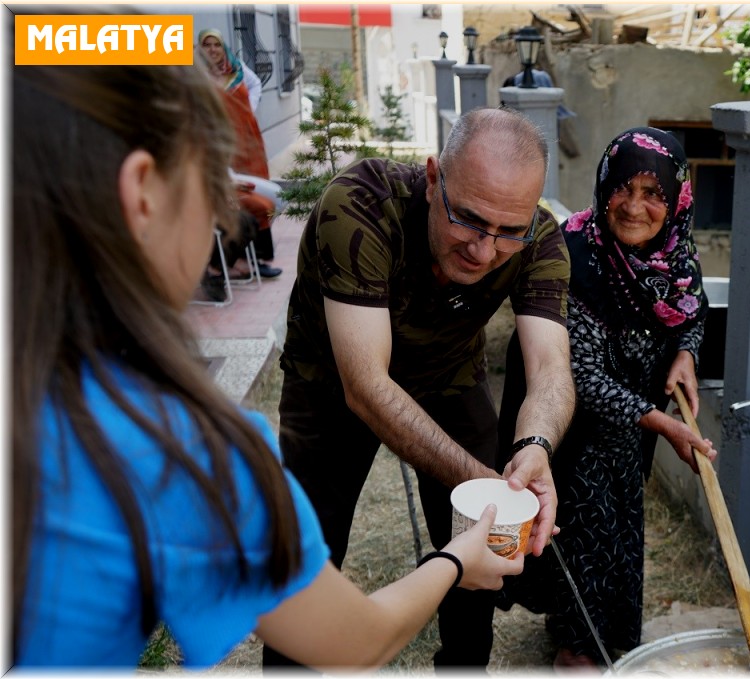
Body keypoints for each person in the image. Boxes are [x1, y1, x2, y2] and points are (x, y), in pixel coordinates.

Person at [10, 62, 523, 670]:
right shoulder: (177, 452)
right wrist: (457, 561)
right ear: (143, 191)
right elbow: (352, 640)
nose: (223, 220)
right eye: (215, 185)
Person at [266, 107, 576, 670]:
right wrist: (486, 483)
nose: (484, 251)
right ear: (434, 179)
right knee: (308, 556)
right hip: (329, 383)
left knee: (480, 543)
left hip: (448, 377)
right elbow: (366, 385)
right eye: (468, 220)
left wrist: (536, 446)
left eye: (509, 231)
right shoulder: (360, 204)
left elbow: (551, 367)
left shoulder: (539, 237)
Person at [496, 127, 717, 669]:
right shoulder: (575, 258)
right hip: (569, 428)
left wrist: (686, 353)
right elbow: (583, 378)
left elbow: (693, 313)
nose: (634, 207)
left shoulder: (676, 261)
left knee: (619, 529)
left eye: (653, 193)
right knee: (584, 530)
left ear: (677, 200)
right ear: (603, 187)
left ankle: (598, 632)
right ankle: (577, 649)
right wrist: (663, 424)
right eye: (623, 187)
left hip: (627, 432)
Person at [198, 28, 283, 287]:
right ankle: (240, 259)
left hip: (247, 139)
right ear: (200, 49)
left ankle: (261, 258)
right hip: (223, 147)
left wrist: (248, 110)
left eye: (216, 44)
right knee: (246, 200)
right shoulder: (199, 77)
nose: (213, 49)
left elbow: (256, 84)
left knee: (259, 192)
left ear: (223, 47)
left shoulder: (236, 68)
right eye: (207, 45)